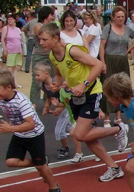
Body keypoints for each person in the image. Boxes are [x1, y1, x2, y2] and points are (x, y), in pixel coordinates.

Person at [39, 22, 128, 182]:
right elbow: (59, 74)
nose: (41, 43)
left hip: (91, 92)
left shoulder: (72, 50)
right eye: (40, 39)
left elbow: (99, 64)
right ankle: (114, 167)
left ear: (55, 38)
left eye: (44, 39)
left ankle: (118, 129)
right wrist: (56, 84)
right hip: (76, 95)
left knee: (79, 134)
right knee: (83, 135)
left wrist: (84, 84)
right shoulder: (53, 55)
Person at [0, 69, 61, 192]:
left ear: (9, 87)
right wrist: (13, 127)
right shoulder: (3, 100)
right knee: (11, 161)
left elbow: (31, 124)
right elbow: (14, 116)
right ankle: (41, 160)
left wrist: (10, 128)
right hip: (19, 134)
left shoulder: (22, 101)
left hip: (34, 135)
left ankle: (54, 188)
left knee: (40, 167)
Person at [99, 5, 134, 128]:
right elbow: (102, 46)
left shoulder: (127, 29)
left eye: (122, 17)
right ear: (113, 17)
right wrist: (102, 63)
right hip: (110, 58)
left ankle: (118, 117)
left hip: (122, 59)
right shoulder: (108, 28)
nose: (120, 19)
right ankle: (107, 118)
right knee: (108, 86)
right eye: (118, 17)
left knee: (121, 87)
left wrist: (130, 49)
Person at [32, 61, 82, 161]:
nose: (36, 77)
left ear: (46, 74)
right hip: (60, 106)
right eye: (35, 75)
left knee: (59, 130)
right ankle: (81, 145)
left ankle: (65, 148)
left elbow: (65, 96)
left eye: (38, 75)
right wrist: (47, 106)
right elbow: (48, 96)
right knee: (70, 129)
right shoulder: (42, 85)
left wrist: (60, 107)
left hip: (67, 108)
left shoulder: (58, 83)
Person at [29, 6, 56, 108]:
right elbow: (44, 35)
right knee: (36, 80)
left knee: (50, 80)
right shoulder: (38, 25)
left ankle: (47, 103)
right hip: (40, 55)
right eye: (51, 15)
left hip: (50, 55)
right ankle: (33, 104)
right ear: (46, 15)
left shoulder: (51, 26)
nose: (52, 17)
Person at [1, 13, 23, 89]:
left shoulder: (17, 29)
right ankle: (9, 83)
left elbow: (20, 39)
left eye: (11, 19)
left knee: (15, 67)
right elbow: (3, 39)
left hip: (18, 50)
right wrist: (4, 49)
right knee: (10, 67)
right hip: (10, 49)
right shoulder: (5, 28)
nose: (10, 21)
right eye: (9, 19)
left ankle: (15, 83)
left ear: (14, 20)